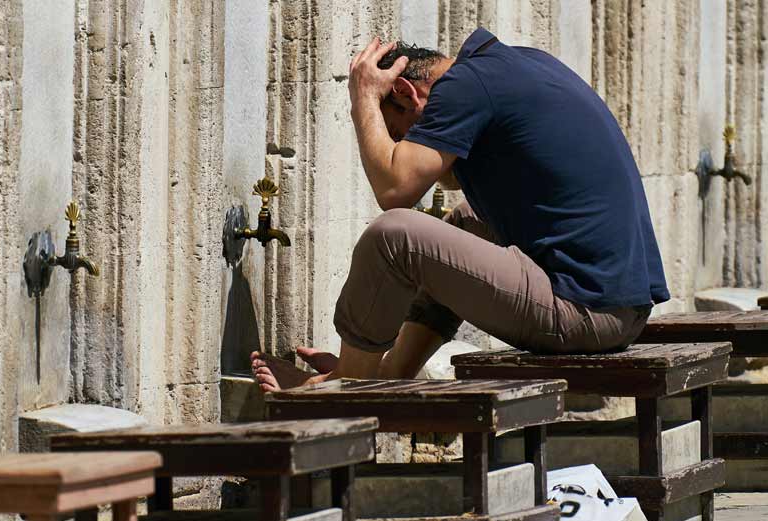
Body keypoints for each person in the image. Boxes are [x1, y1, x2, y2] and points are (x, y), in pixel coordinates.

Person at [252, 28, 669, 392]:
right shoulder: (510, 67)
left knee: (395, 235)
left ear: (405, 93)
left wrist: (362, 96)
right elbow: (448, 179)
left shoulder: (464, 85)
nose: (407, 147)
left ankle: (348, 390)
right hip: (619, 308)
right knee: (465, 222)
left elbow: (396, 188)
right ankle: (388, 371)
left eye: (398, 134)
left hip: (586, 312)